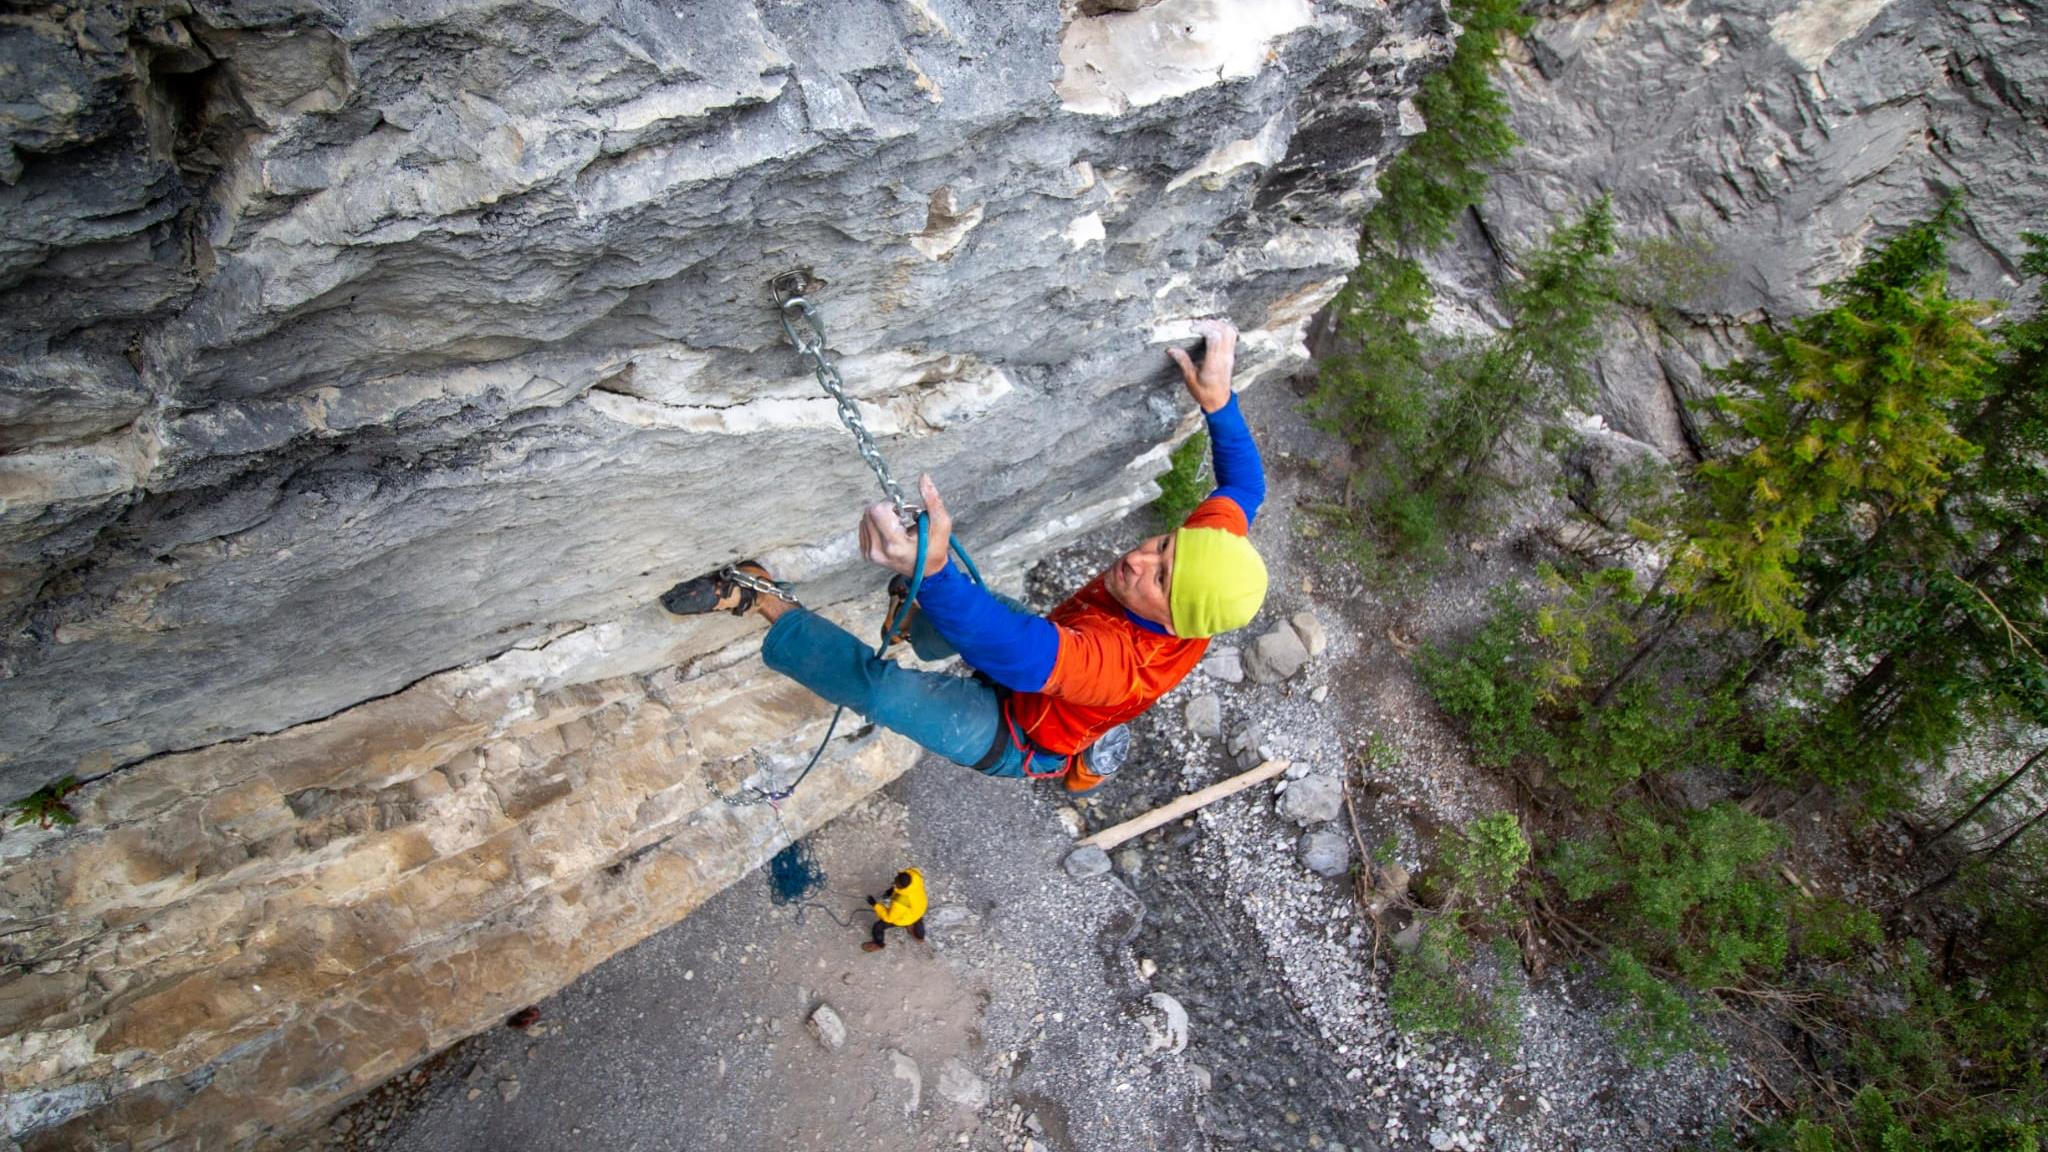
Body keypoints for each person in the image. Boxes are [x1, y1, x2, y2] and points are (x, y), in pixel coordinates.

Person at [662, 317, 1267, 793]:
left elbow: (1028, 661)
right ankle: (915, 619)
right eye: (1161, 544)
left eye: (1158, 578)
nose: (1138, 560)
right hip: (1049, 657)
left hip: (1017, 733)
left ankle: (762, 599)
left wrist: (934, 571)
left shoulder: (1126, 666)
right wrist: (1220, 402)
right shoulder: (1206, 561)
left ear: (1174, 619)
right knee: (957, 606)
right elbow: (1243, 490)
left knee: (885, 695)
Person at [864, 868, 928, 953]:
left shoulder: (901, 899)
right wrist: (892, 891)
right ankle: (920, 936)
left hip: (907, 916)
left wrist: (875, 905)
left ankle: (878, 944)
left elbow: (889, 918)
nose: (894, 881)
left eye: (896, 883)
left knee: (878, 926)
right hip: (920, 907)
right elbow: (902, 884)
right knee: (916, 917)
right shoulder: (915, 876)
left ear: (901, 886)